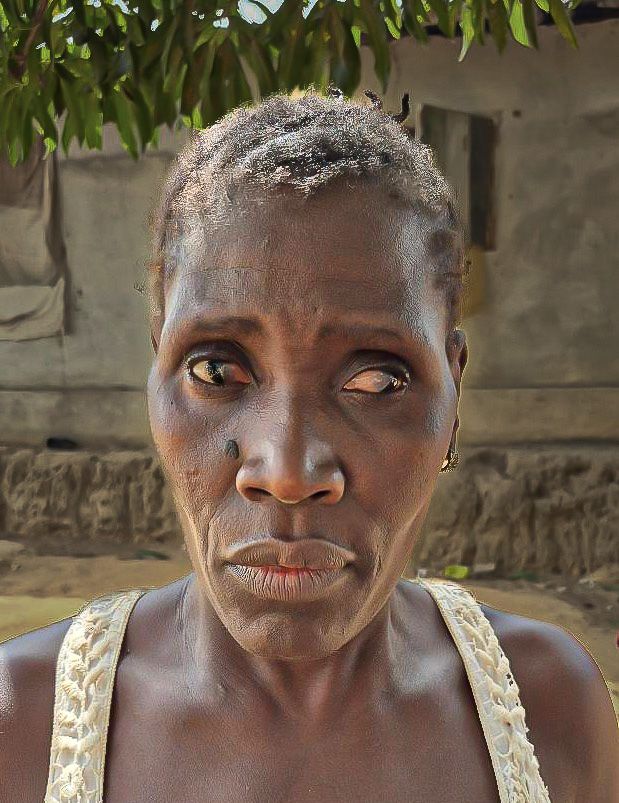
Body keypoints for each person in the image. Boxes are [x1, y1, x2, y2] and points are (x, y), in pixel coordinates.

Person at [1, 88, 617, 803]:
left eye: (377, 380)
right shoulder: (22, 726)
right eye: (216, 370)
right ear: (156, 375)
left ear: (452, 393)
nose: (288, 473)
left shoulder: (549, 709)